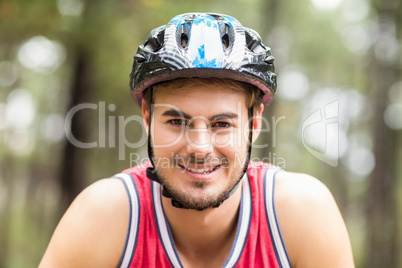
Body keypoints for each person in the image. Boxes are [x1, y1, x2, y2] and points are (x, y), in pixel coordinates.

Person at [40, 13, 354, 267]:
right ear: (148, 118)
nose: (200, 147)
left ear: (254, 123)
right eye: (176, 120)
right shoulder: (104, 217)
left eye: (221, 124)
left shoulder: (300, 214)